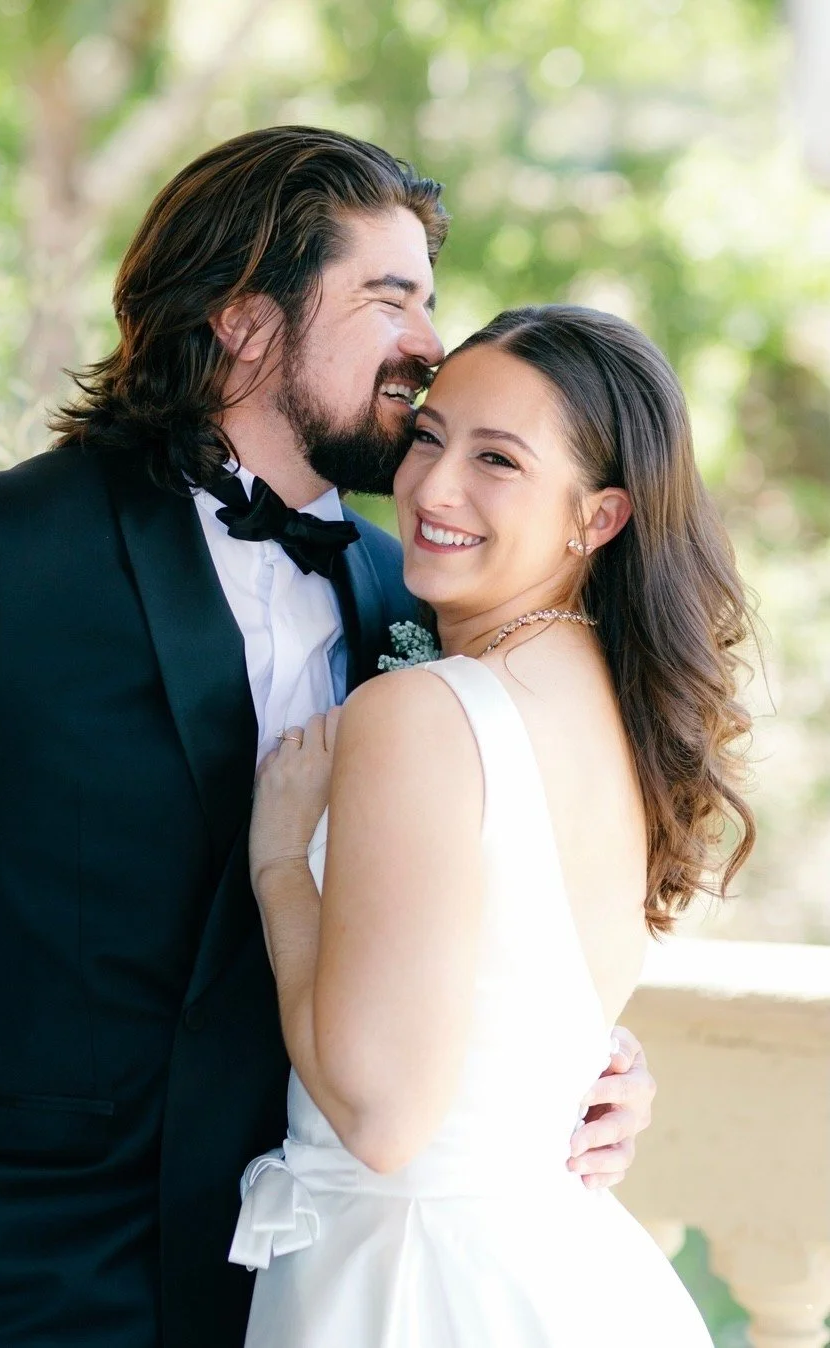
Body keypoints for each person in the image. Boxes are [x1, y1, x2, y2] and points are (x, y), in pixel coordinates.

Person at [0, 130, 654, 1348]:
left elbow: (462, 904)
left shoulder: (418, 595)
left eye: (429, 301)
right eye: (388, 300)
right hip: (17, 1284)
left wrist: (583, 1062)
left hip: (304, 1280)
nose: (431, 345)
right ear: (245, 319)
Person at [236, 303, 755, 1346]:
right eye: (428, 437)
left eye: (498, 460)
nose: (431, 487)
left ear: (597, 517)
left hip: (415, 1286)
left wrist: (282, 864)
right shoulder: (620, 708)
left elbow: (383, 1120)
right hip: (564, 1267)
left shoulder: (425, 710)